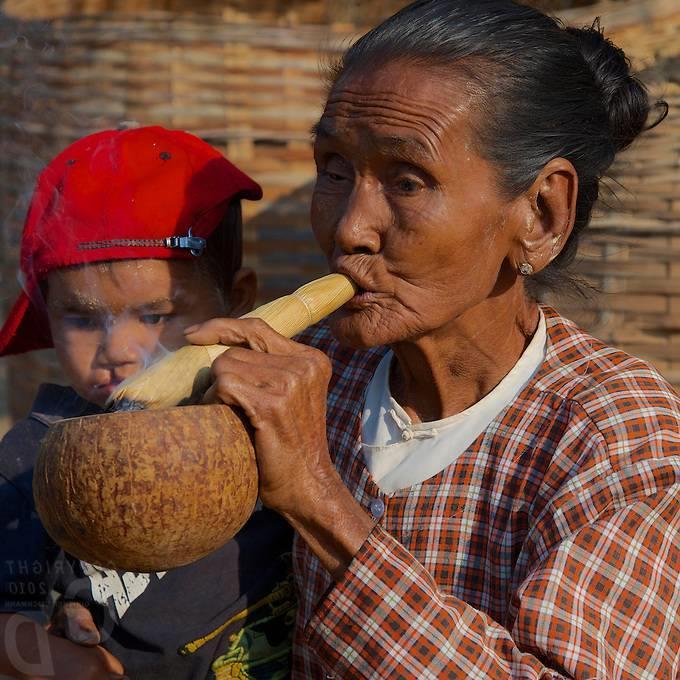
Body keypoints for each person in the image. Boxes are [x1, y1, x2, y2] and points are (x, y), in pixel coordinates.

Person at [185, 2, 680, 678]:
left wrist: (318, 499)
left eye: (407, 180)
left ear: (540, 214)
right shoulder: (315, 379)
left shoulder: (616, 433)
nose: (350, 229)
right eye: (334, 167)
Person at [0, 126, 296, 679]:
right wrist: (65, 665)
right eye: (83, 319)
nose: (117, 349)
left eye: (156, 316)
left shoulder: (274, 418)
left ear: (240, 301)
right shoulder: (39, 455)